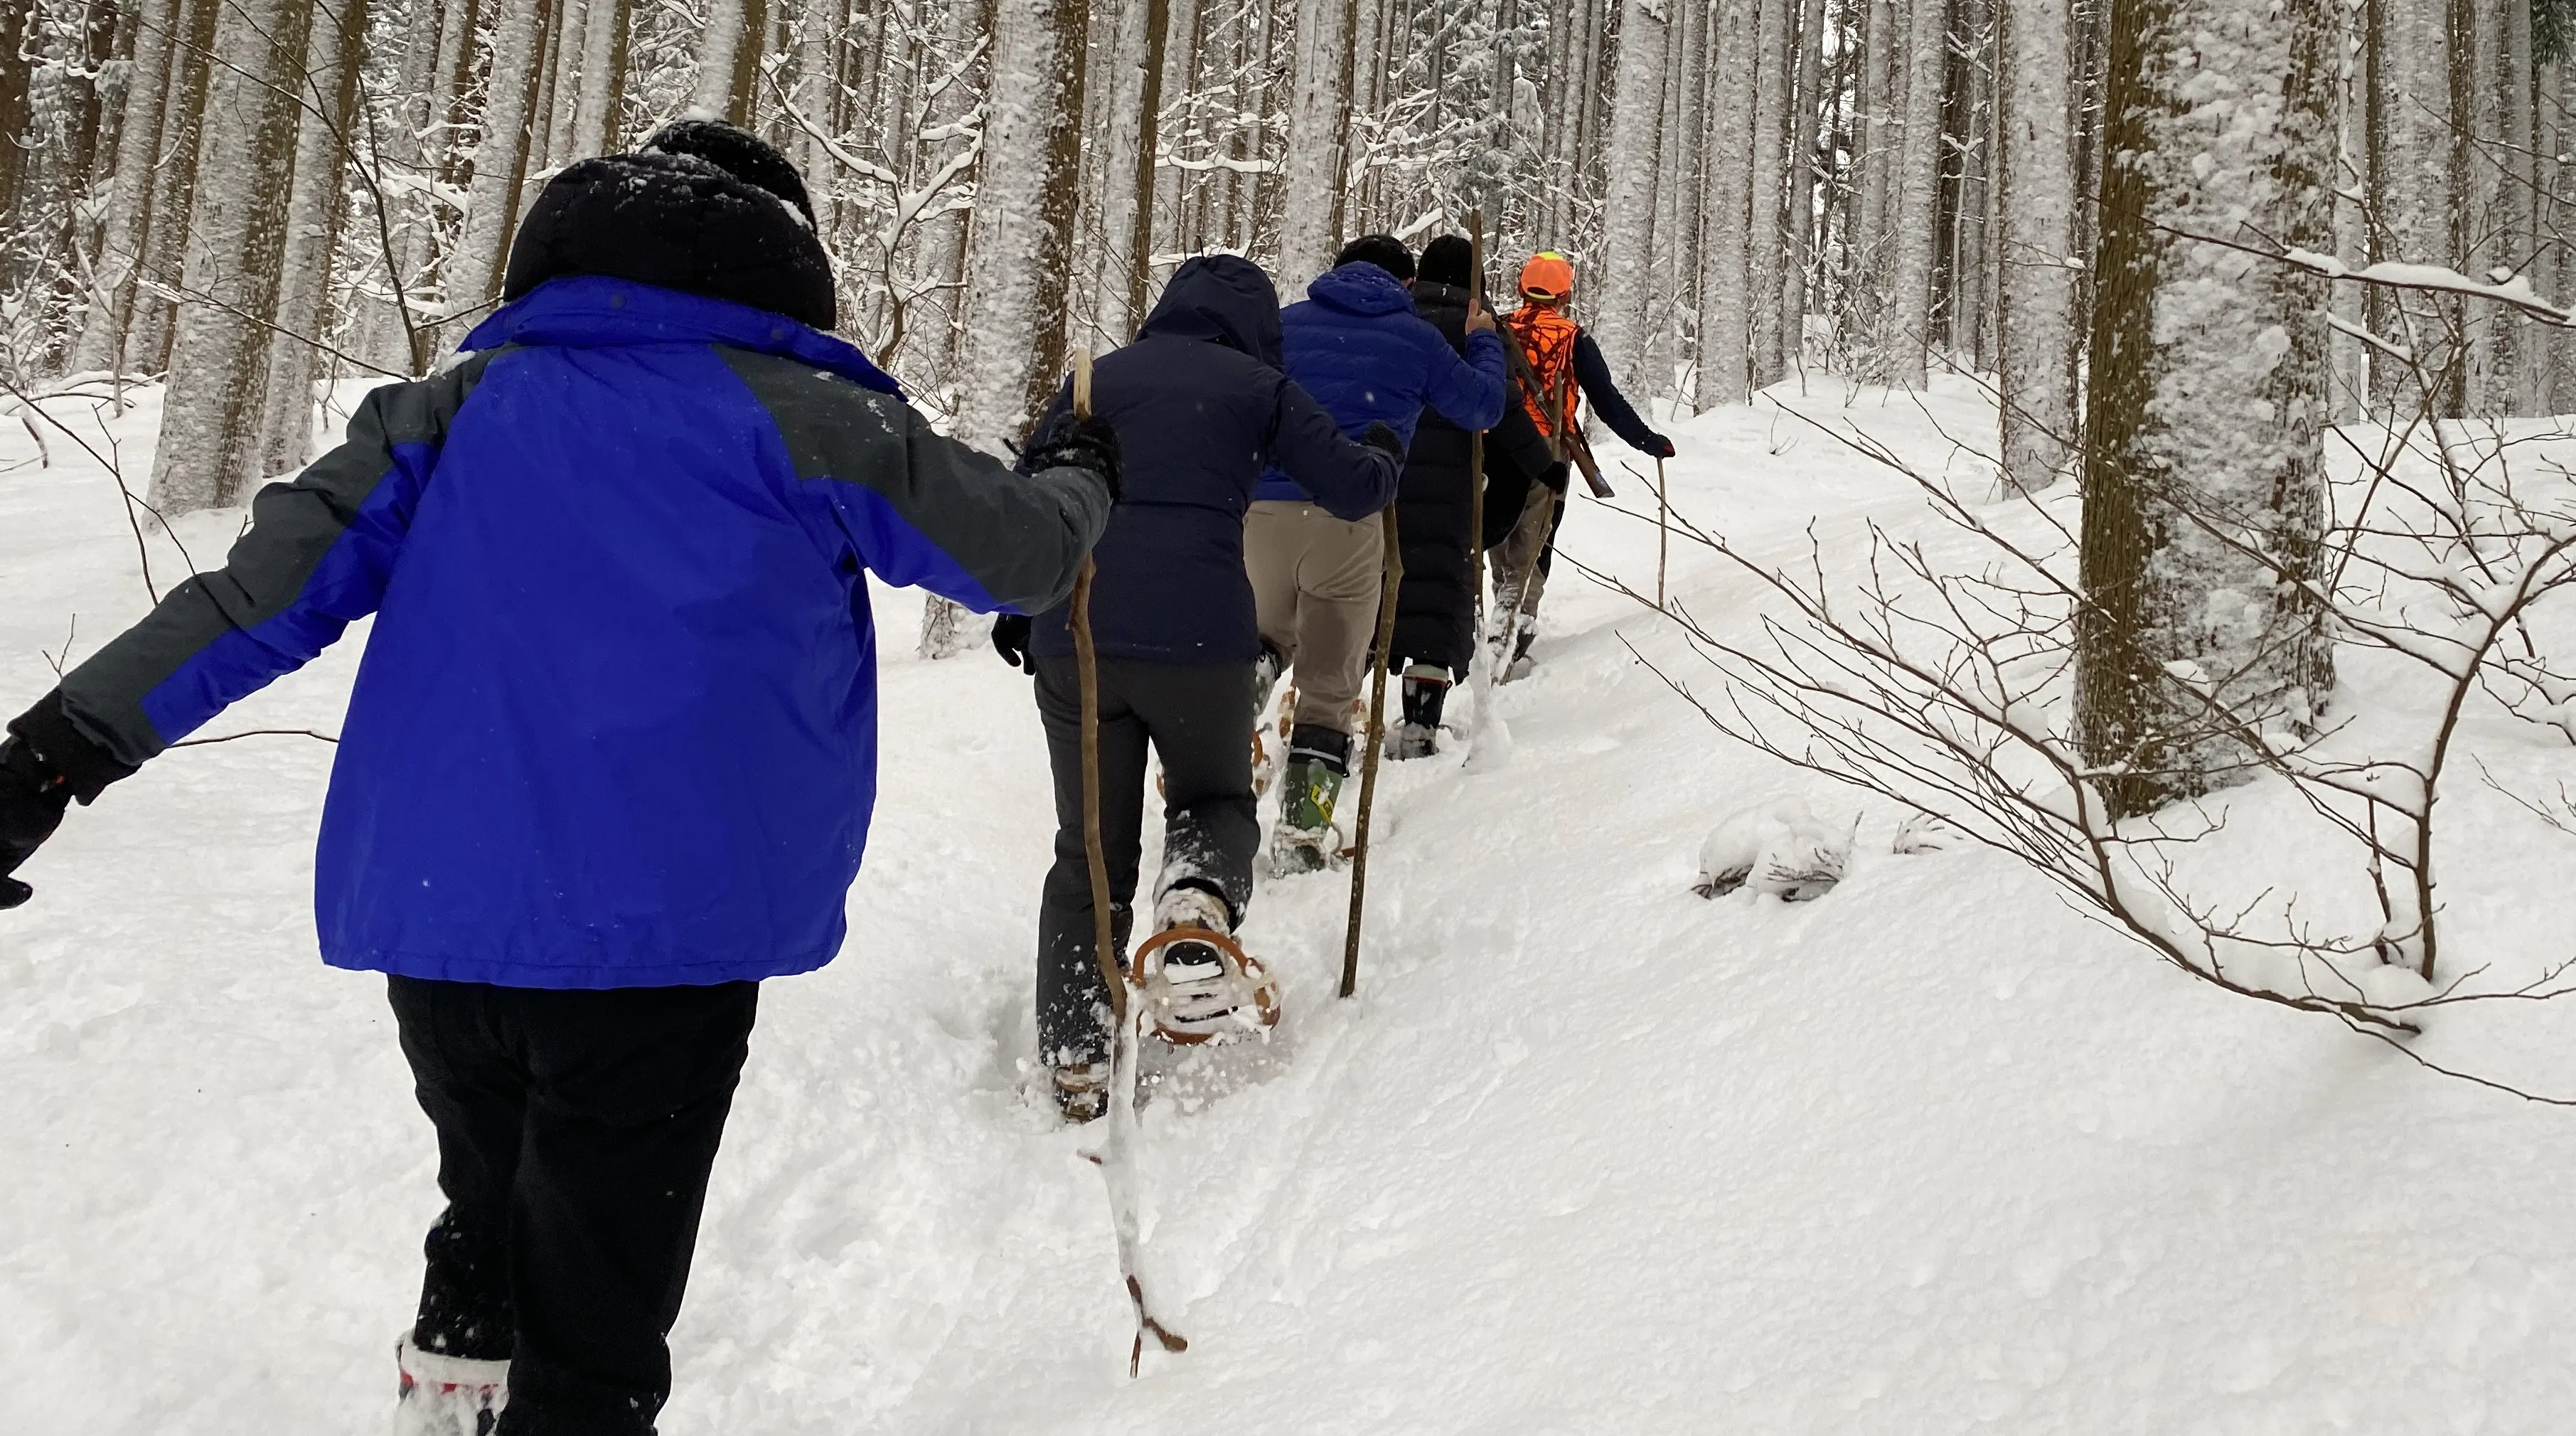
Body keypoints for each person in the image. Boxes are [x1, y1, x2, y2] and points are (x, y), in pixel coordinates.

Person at [0, 120, 1114, 1436]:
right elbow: (1025, 559)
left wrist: (54, 751)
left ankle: (455, 1397)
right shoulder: (815, 416)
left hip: (444, 918)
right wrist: (1078, 475)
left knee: (489, 1196)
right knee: (595, 1311)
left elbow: (258, 597)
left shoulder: (453, 410)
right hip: (663, 939)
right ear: (780, 262)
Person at [992, 254, 1397, 1121]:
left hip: (1079, 637)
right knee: (1212, 799)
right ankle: (1196, 902)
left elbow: (1033, 497)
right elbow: (1352, 490)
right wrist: (1386, 451)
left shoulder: (1093, 380)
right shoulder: (1258, 387)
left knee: (1088, 848)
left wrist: (1019, 610)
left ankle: (1076, 1056)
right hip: (1201, 640)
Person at [1249, 235, 1507, 870]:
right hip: (1349, 521)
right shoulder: (1414, 338)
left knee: (1258, 645)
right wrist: (1482, 339)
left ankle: (1218, 749)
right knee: (1330, 687)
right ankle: (1302, 834)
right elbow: (1483, 406)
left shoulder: (1283, 325)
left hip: (1259, 515)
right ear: (1405, 280)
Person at [1382, 233, 1542, 757]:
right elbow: (1507, 410)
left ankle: (1327, 724)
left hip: (1386, 486)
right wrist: (1542, 469)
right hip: (1452, 490)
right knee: (1438, 604)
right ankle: (1421, 723)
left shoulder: (1395, 325)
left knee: (1384, 595)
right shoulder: (1477, 333)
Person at [1492, 249, 1675, 673]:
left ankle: (1499, 609)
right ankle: (1515, 622)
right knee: (1535, 538)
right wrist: (1649, 441)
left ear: (1523, 289)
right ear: (1565, 295)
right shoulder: (1575, 339)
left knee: (1497, 533)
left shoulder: (1496, 329)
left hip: (1492, 447)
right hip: (1547, 452)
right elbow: (1606, 403)